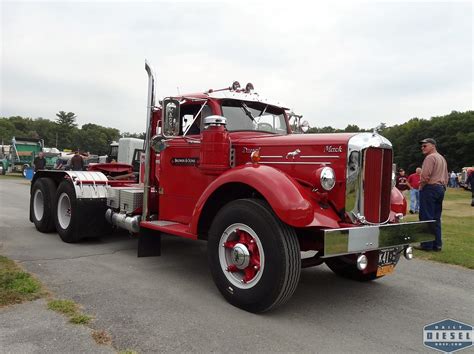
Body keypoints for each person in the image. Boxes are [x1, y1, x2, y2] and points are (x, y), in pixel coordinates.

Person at [417, 138, 448, 252]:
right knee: (436, 218)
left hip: (430, 188)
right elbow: (446, 176)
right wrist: (443, 187)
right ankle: (437, 245)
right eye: (422, 146)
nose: (422, 148)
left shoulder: (430, 157)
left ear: (433, 146)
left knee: (426, 217)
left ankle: (427, 245)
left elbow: (425, 176)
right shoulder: (441, 158)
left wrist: (422, 186)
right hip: (440, 188)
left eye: (425, 146)